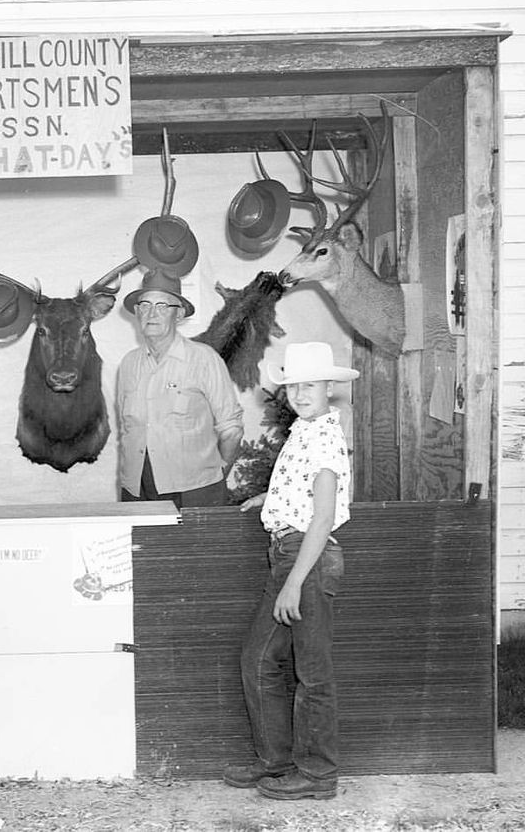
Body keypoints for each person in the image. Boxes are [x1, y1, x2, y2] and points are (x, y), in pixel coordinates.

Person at [223, 341, 358, 801]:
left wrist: (296, 582)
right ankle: (277, 761)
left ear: (329, 388)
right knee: (259, 659)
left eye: (311, 385)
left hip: (308, 559)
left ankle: (318, 775)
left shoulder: (324, 435)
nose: (301, 393)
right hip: (290, 549)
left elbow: (323, 516)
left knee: (313, 672)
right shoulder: (304, 429)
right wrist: (273, 501)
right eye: (294, 385)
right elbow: (306, 495)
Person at [117, 269, 244, 507]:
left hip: (195, 491)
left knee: (190, 546)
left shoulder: (204, 359)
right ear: (136, 312)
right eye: (145, 305)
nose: (152, 313)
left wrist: (215, 478)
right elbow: (127, 430)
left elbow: (232, 430)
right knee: (141, 546)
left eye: (163, 306)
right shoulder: (128, 364)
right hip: (136, 490)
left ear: (179, 314)